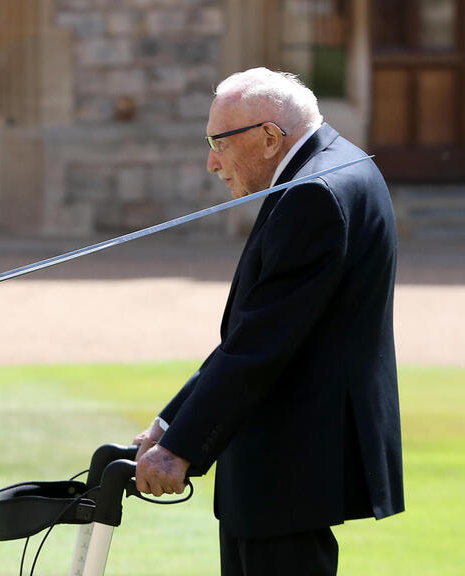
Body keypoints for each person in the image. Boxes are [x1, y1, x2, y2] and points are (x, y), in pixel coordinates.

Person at [132, 68, 403, 575]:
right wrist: (170, 424)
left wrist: (178, 449)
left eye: (219, 143)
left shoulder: (313, 194)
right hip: (291, 452)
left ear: (270, 137)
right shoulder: (336, 164)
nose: (212, 163)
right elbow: (258, 331)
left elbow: (260, 345)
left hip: (288, 458)